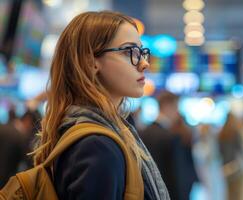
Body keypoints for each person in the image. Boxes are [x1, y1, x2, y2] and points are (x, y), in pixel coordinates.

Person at [32, 11, 169, 200]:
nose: (144, 63)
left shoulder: (95, 134)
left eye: (142, 52)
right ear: (91, 61)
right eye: (130, 52)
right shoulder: (97, 146)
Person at [140, 90, 180, 199]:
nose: (177, 113)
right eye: (176, 107)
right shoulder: (169, 137)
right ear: (167, 106)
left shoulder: (142, 132)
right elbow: (174, 176)